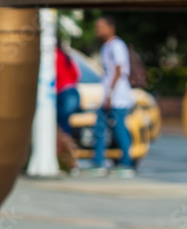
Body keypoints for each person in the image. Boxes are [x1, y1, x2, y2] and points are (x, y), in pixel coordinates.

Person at [90, 15, 135, 177]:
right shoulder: (105, 47)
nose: (98, 30)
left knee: (119, 129)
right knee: (100, 128)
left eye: (101, 27)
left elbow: (118, 70)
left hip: (118, 97)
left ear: (111, 28)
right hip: (109, 96)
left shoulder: (117, 45)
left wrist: (110, 94)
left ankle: (127, 163)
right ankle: (98, 161)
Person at [55, 39, 81, 136]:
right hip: (73, 92)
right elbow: (76, 74)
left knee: (60, 125)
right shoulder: (65, 55)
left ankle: (62, 149)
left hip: (63, 93)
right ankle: (66, 147)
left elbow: (53, 75)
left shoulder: (51, 55)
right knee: (64, 124)